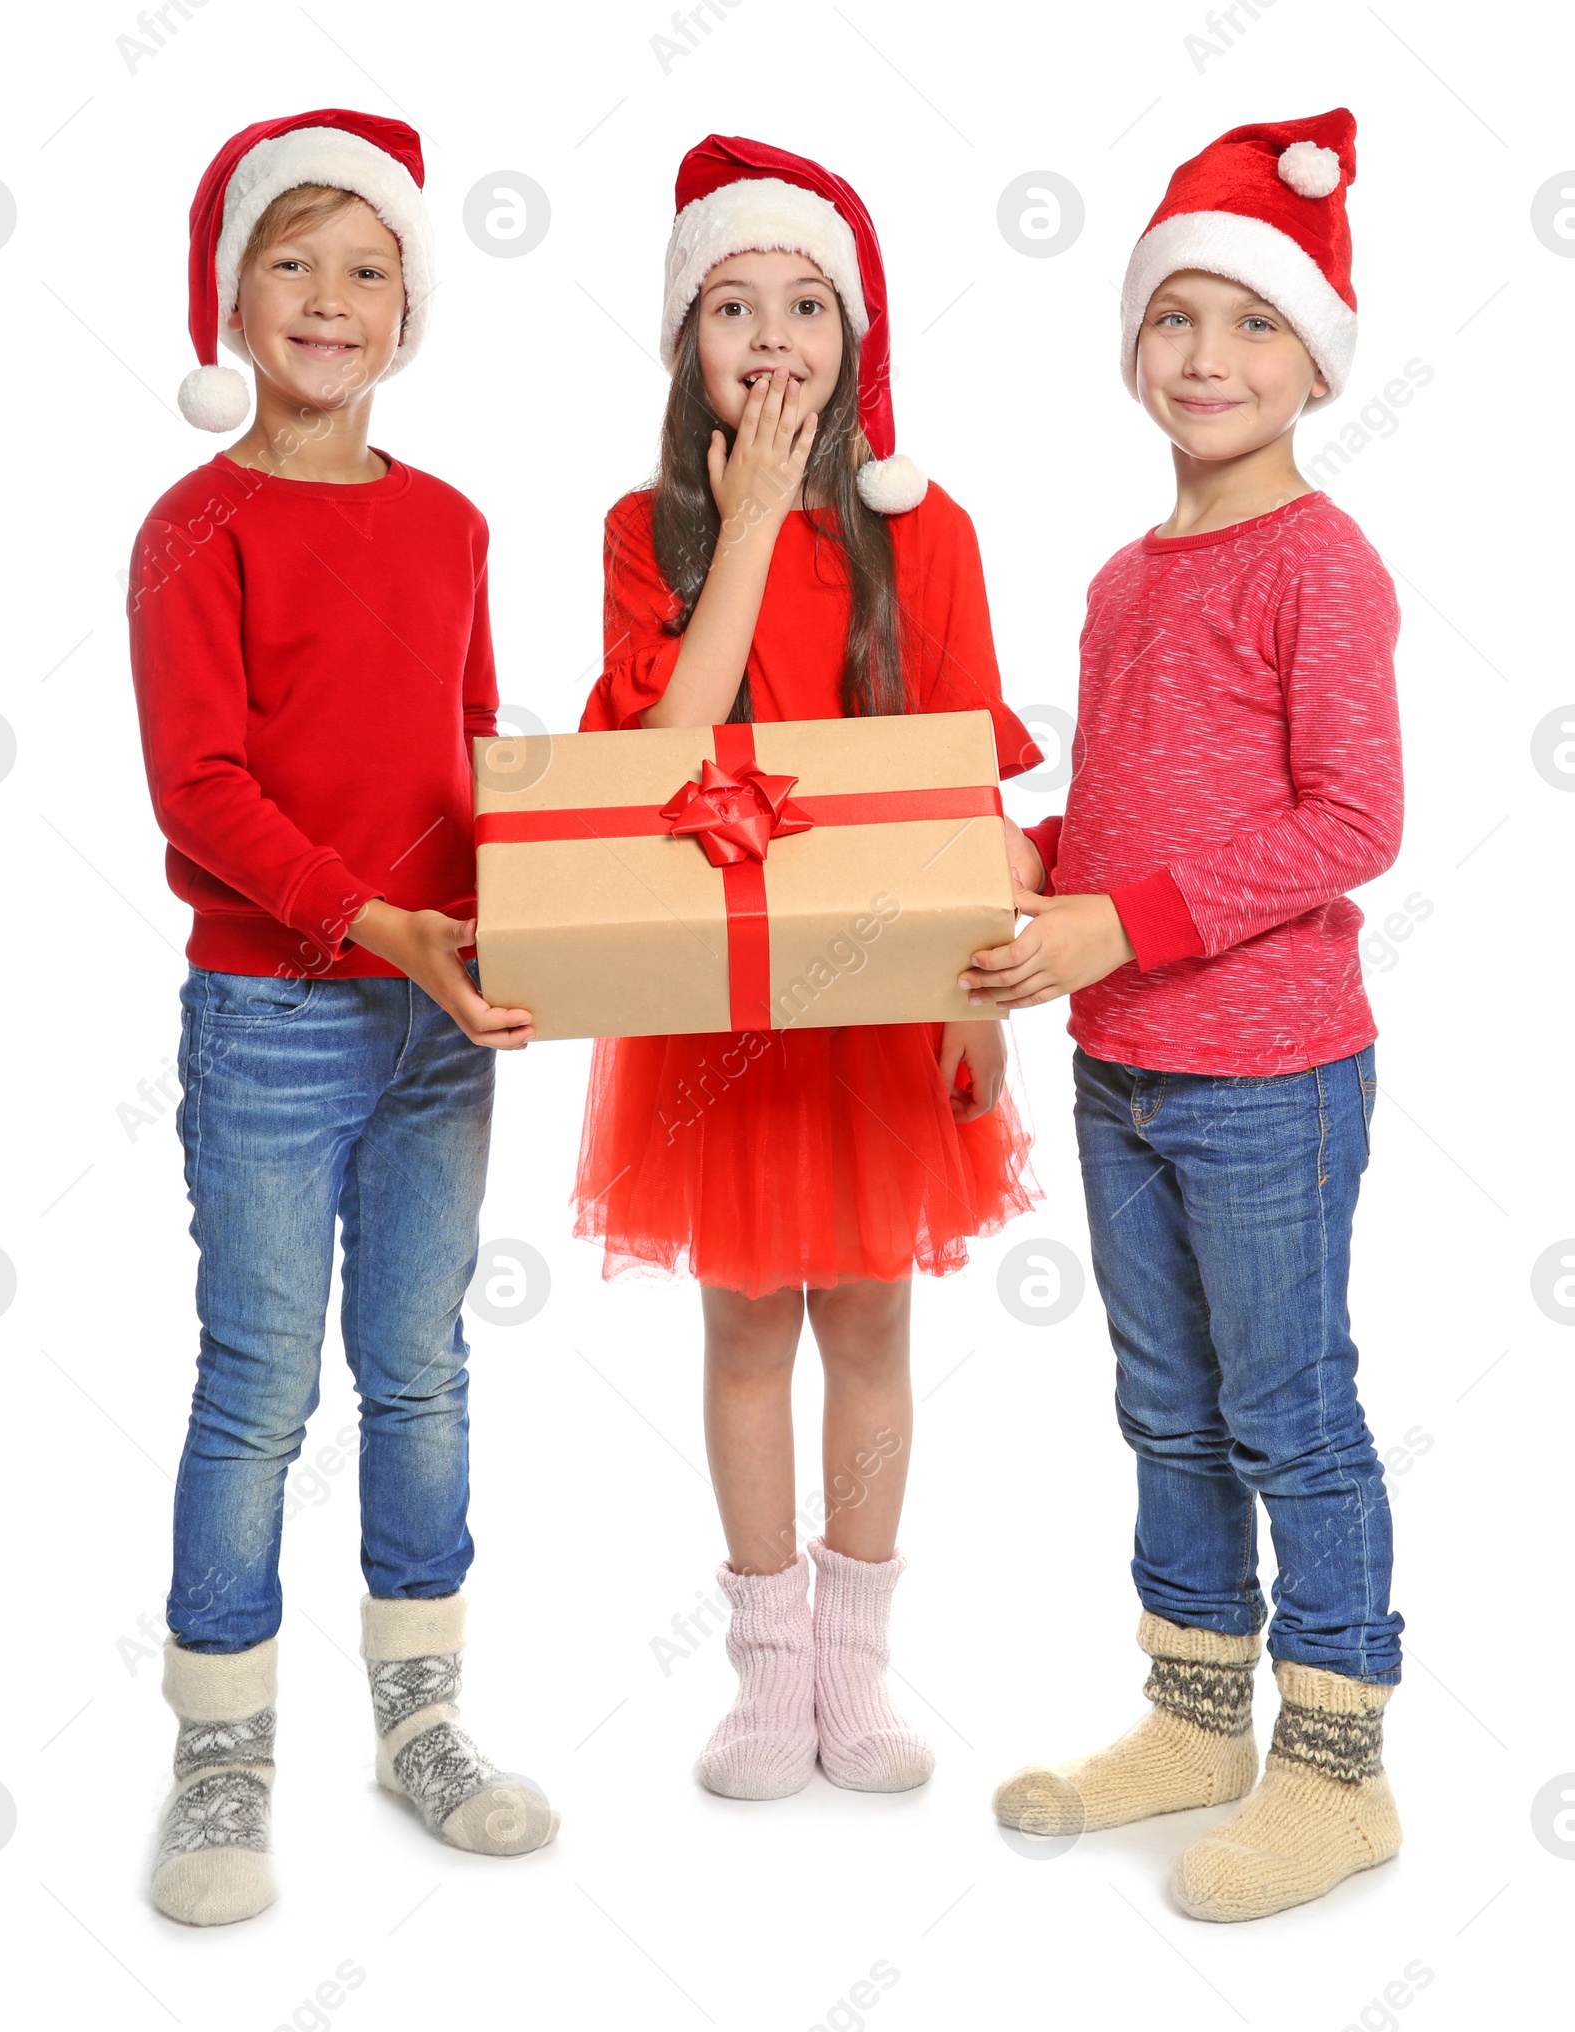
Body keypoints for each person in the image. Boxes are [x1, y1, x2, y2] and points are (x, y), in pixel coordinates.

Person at [971, 110, 1405, 1922]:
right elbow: (1142, 806)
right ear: (1136, 349)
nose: (1208, 358)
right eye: (1176, 321)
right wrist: (1024, 854)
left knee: (1289, 1407)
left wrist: (1114, 918)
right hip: (1124, 1068)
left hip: (1268, 1071)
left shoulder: (1321, 562)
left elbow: (1349, 823)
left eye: (1252, 325)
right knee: (1166, 1406)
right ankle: (1198, 1713)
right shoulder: (1125, 580)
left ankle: (1337, 1768)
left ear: (1316, 358)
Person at [127, 107, 556, 1925]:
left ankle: (420, 1718)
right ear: (235, 305)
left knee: (427, 1369)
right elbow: (200, 790)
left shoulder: (451, 523)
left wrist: (534, 905)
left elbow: (475, 758)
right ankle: (221, 1752)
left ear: (409, 310)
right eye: (293, 262)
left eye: (366, 267)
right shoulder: (194, 526)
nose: (329, 297)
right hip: (277, 1018)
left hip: (438, 1018)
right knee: (258, 1386)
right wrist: (381, 921)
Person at [574, 134, 1040, 1801]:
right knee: (747, 1325)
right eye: (731, 305)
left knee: (869, 1320)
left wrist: (978, 1003)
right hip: (724, 1009)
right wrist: (755, 522)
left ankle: (862, 1665)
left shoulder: (934, 535)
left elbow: (969, 781)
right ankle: (768, 1678)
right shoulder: (649, 529)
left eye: (805, 305)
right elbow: (656, 752)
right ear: (685, 341)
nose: (771, 338)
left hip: (887, 996)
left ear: (856, 337)